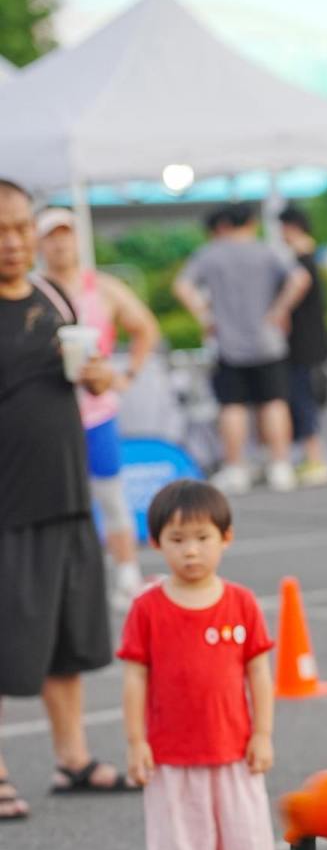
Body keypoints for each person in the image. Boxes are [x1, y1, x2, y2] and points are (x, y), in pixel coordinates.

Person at [0, 180, 139, 820]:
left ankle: (72, 758)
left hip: (66, 492)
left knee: (66, 640)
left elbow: (93, 376)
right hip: (8, 504)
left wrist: (102, 375)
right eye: (0, 231)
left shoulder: (53, 294)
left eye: (20, 228)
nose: (13, 242)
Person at [118, 479, 290, 850]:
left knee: (247, 840)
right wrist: (136, 742)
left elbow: (259, 673)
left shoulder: (241, 602)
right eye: (177, 540)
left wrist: (262, 733)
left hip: (234, 751)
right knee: (176, 847)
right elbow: (134, 677)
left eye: (202, 538)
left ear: (225, 538)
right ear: (156, 544)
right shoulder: (147, 608)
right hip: (171, 756)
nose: (190, 551)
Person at [36, 207, 161, 607]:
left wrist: (127, 374)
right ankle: (62, 583)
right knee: (55, 501)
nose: (60, 244)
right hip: (48, 415)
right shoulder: (33, 293)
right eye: (51, 236)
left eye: (66, 234)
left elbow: (145, 327)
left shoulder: (102, 288)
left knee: (110, 495)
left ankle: (126, 575)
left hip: (96, 412)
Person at [173, 203, 310, 495]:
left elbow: (182, 286)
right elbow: (300, 279)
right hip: (268, 341)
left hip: (227, 344)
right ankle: (280, 465)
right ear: (251, 222)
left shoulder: (210, 254)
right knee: (274, 402)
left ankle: (236, 467)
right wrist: (279, 310)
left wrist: (205, 316)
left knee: (232, 406)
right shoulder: (266, 250)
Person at [278, 205, 327, 487]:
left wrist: (278, 311)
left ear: (292, 227)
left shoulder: (301, 260)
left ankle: (315, 458)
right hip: (313, 342)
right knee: (306, 398)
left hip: (303, 344)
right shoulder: (311, 256)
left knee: (304, 399)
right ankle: (312, 458)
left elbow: (299, 283)